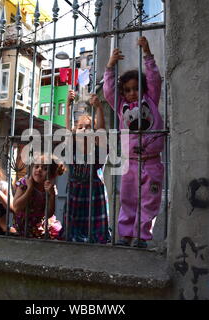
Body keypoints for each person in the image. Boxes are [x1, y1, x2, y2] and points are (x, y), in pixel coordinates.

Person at [103, 36, 164, 248]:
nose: (131, 93)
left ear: (144, 89)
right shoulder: (121, 107)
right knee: (127, 199)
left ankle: (141, 236)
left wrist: (147, 53)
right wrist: (110, 65)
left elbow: (155, 79)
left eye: (136, 88)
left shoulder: (151, 100)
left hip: (152, 162)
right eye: (127, 90)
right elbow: (109, 91)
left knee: (149, 202)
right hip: (130, 162)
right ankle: (126, 234)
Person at [64, 90, 110, 244]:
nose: (84, 129)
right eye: (80, 127)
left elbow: (102, 132)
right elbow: (67, 129)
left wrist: (99, 108)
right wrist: (68, 106)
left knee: (95, 235)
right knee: (72, 235)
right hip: (75, 195)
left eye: (88, 127)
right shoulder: (71, 150)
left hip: (94, 194)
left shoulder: (97, 152)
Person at [13, 154, 65, 239]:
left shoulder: (50, 188)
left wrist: (52, 195)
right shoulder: (24, 183)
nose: (39, 170)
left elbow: (48, 214)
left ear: (51, 175)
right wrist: (29, 189)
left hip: (40, 226)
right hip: (24, 226)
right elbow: (16, 207)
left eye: (45, 169)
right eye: (36, 166)